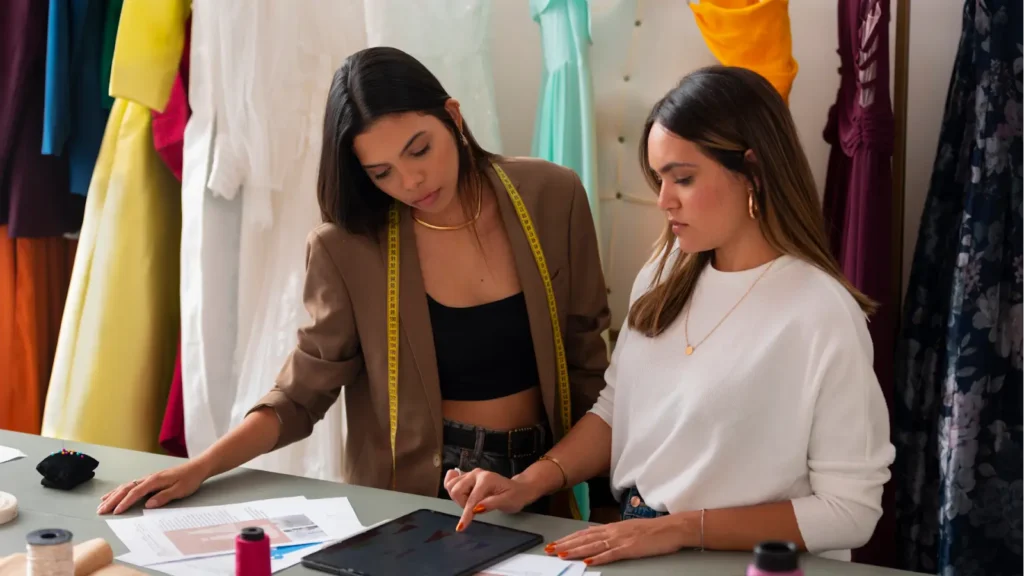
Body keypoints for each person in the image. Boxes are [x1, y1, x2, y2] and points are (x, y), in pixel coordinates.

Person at [97, 46, 611, 517]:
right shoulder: (349, 248)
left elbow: (589, 359)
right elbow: (300, 395)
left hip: (543, 475)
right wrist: (198, 467)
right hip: (416, 491)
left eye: (419, 149)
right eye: (381, 172)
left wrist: (611, 495)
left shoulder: (552, 196)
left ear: (453, 116)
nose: (410, 181)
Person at [443, 65, 896, 567]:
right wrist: (525, 484)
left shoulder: (822, 313)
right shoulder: (664, 272)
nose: (663, 200)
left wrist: (679, 530)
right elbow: (618, 413)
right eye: (660, 178)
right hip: (638, 547)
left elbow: (850, 510)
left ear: (754, 170)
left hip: (740, 561)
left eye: (682, 178)